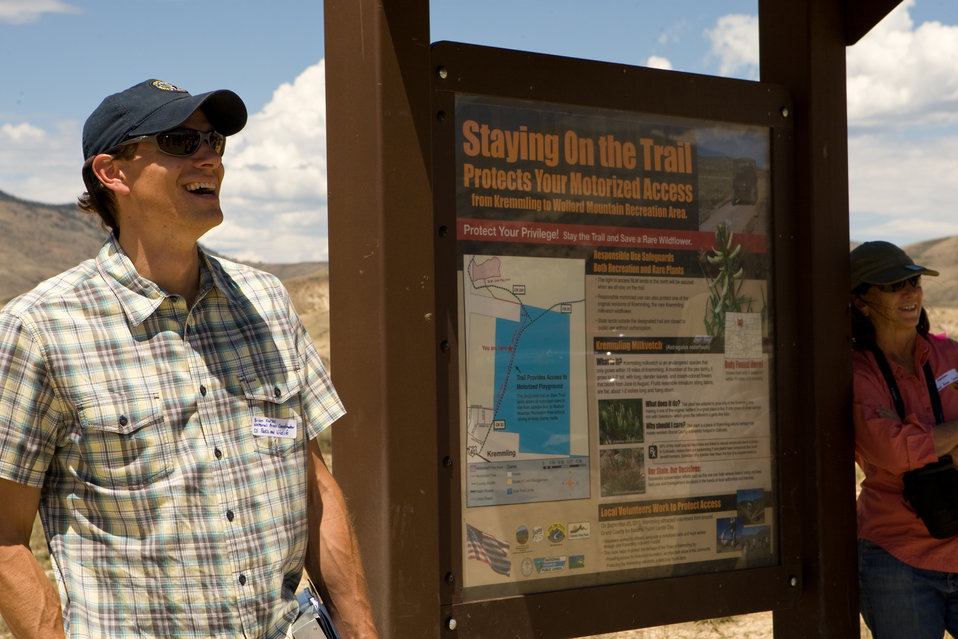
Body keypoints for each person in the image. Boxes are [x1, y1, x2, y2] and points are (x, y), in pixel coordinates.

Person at [0, 79, 377, 638]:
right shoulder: (39, 329)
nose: (210, 158)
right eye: (181, 142)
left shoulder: (267, 302)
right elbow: (6, 538)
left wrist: (361, 631)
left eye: (215, 142)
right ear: (112, 172)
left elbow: (312, 484)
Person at [851, 240, 958, 638]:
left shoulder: (950, 354)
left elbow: (901, 445)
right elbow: (891, 451)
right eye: (895, 285)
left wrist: (913, 435)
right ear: (861, 301)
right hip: (896, 558)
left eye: (913, 281)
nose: (911, 292)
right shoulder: (858, 372)